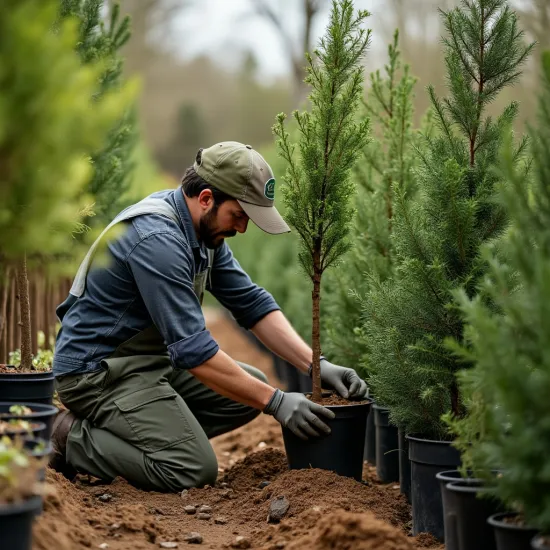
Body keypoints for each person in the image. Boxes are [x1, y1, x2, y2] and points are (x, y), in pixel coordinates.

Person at [50, 141, 368, 492]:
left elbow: (251, 303)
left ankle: (139, 434)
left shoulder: (201, 234)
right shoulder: (158, 240)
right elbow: (194, 352)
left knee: (245, 390)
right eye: (239, 215)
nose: (242, 228)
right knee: (192, 468)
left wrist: (315, 365)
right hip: (98, 372)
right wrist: (276, 401)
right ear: (205, 198)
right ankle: (68, 435)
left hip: (147, 363)